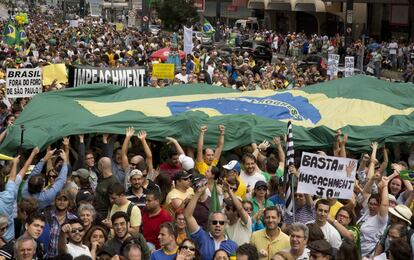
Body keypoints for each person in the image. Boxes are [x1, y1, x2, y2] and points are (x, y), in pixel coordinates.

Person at [184, 185, 237, 260]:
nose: (218, 225)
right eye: (214, 222)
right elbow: (187, 216)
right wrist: (198, 193)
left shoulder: (233, 245)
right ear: (209, 224)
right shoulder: (201, 237)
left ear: (225, 225)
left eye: (221, 223)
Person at [44, 190, 78, 259]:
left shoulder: (73, 219)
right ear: (55, 201)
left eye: (65, 200)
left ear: (69, 202)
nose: (62, 202)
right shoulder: (47, 216)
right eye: (59, 199)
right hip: (48, 257)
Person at [222, 180, 252, 246]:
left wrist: (229, 191)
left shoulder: (245, 222)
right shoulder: (223, 225)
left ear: (236, 211)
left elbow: (240, 209)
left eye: (228, 209)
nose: (224, 210)